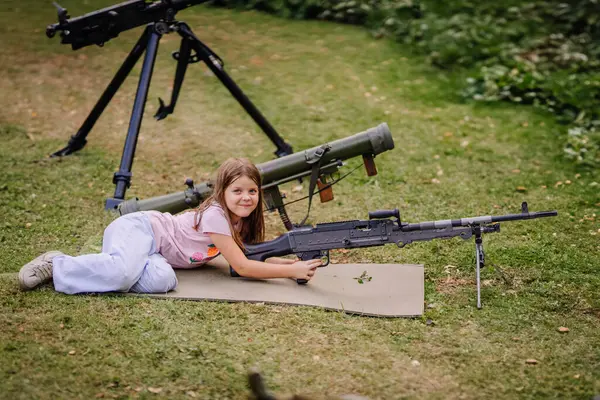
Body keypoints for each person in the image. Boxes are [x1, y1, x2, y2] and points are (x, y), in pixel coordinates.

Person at [18, 158, 321, 294]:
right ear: (222, 193)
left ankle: (117, 268)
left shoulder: (238, 222)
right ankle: (58, 265)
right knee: (123, 275)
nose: (246, 197)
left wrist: (288, 262)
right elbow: (242, 267)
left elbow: (246, 256)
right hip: (141, 229)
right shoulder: (217, 215)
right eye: (237, 191)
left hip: (159, 256)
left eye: (252, 191)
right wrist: (290, 272)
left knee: (164, 283)